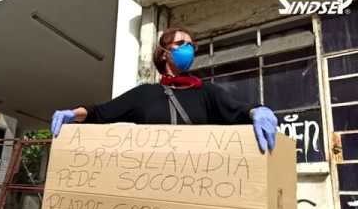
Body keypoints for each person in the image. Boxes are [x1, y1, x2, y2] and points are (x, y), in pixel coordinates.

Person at [50, 27, 278, 153]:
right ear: (163, 53)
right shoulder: (144, 94)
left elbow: (238, 110)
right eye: (180, 44)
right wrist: (72, 114)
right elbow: (99, 113)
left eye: (191, 45)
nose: (188, 48)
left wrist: (258, 110)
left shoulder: (206, 92)